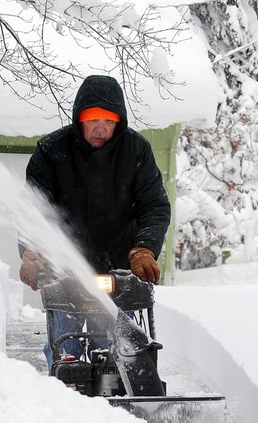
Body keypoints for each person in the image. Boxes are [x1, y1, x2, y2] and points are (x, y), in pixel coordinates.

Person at [19, 74, 171, 369]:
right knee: (67, 350)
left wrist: (144, 248)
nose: (100, 127)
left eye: (109, 120)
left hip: (117, 270)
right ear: (79, 119)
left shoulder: (135, 151)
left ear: (119, 121)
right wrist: (32, 252)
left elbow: (154, 206)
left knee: (114, 351)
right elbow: (32, 209)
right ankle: (65, 388)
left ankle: (118, 397)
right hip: (63, 270)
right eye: (92, 119)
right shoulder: (52, 151)